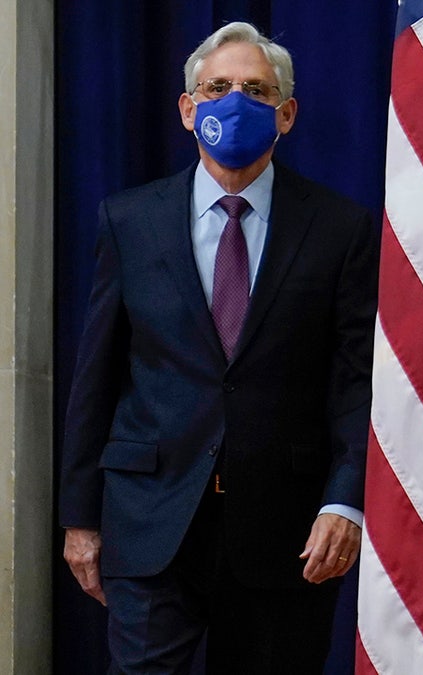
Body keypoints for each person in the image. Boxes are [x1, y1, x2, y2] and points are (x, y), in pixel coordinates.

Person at [59, 21, 378, 673]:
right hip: (150, 524)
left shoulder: (339, 229)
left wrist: (344, 499)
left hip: (286, 534)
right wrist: (79, 517)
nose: (236, 103)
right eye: (218, 87)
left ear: (286, 115)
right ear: (187, 108)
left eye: (257, 91)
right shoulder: (130, 220)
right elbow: (96, 376)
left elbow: (355, 381)